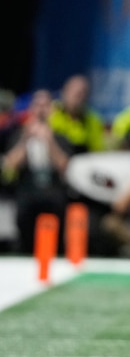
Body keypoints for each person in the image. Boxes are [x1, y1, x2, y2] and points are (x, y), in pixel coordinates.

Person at [1, 90, 70, 254]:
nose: (41, 109)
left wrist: (50, 141)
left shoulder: (60, 137)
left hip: (53, 193)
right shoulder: (20, 135)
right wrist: (26, 140)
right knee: (24, 216)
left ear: (52, 109)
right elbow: (10, 165)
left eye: (45, 105)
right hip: (28, 192)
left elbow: (64, 167)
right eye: (37, 105)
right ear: (31, 108)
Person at [49, 74, 107, 155]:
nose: (77, 99)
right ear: (64, 92)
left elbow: (97, 151)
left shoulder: (93, 120)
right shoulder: (51, 112)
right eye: (73, 93)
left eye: (81, 94)